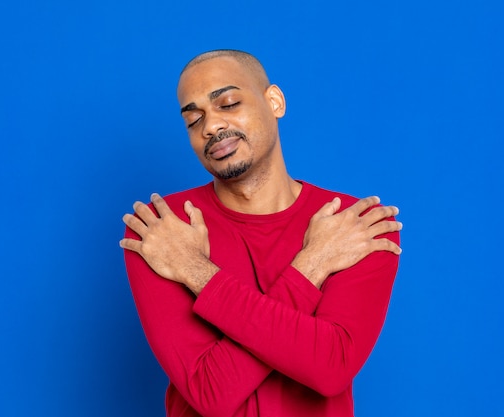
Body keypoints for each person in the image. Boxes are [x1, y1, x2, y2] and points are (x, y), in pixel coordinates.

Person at [120, 49, 402, 417]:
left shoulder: (353, 225)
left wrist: (194, 272)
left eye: (229, 103)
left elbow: (330, 369)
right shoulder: (162, 231)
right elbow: (211, 391)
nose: (210, 126)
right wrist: (312, 266)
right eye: (193, 120)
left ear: (275, 102)